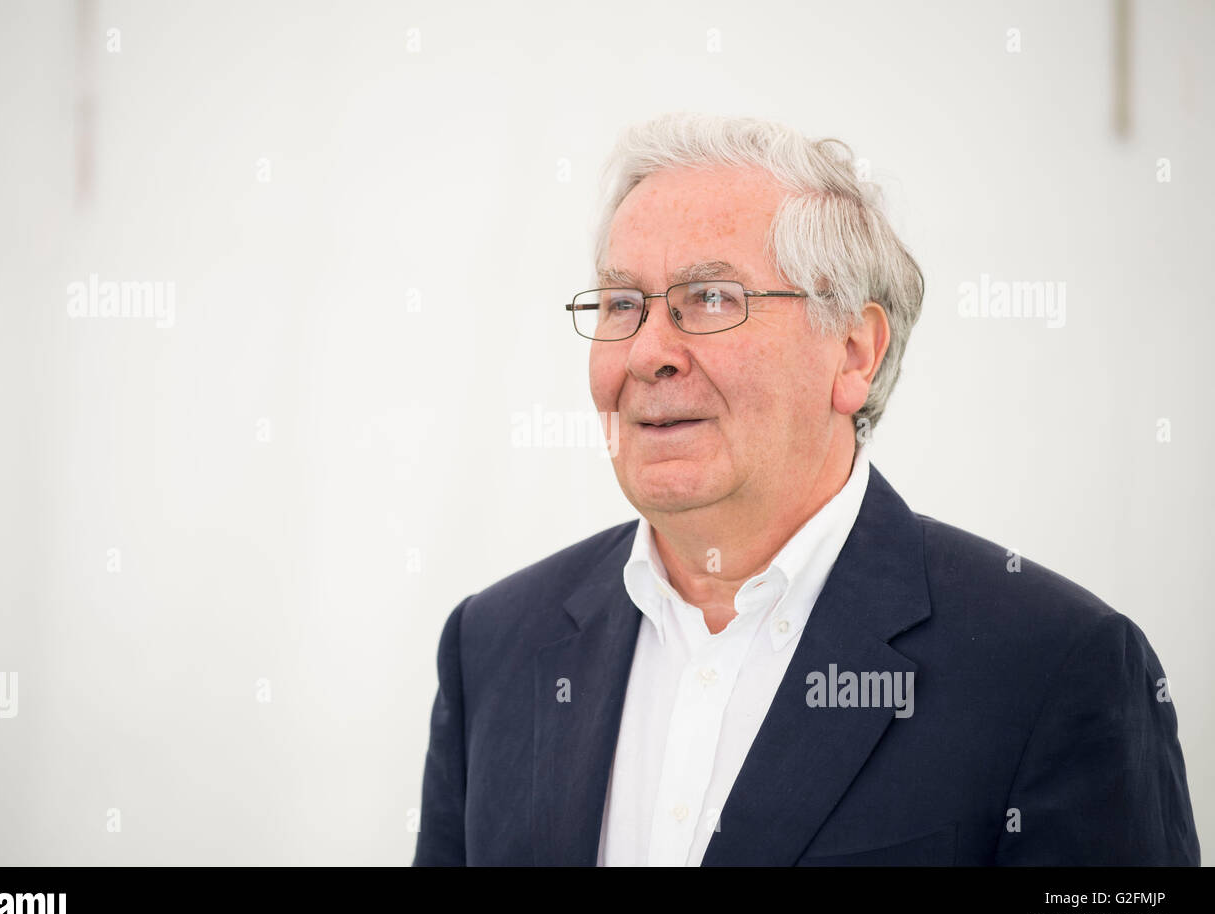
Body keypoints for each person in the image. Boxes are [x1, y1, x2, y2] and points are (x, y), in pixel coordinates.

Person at [413, 113, 1200, 866]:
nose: (649, 351)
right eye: (623, 305)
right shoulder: (494, 648)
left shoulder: (1055, 666)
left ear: (853, 353)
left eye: (712, 298)